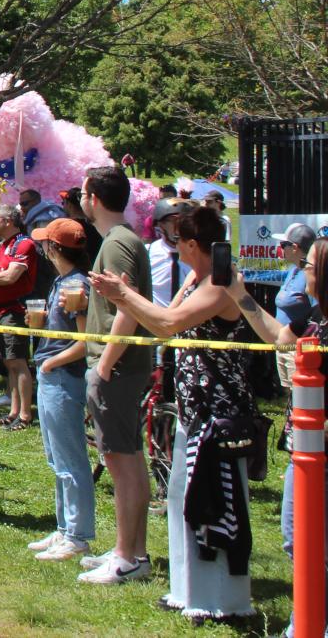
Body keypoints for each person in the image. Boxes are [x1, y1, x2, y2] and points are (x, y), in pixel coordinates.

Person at [93, 207, 257, 621]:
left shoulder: (221, 284)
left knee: (215, 503)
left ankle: (222, 600)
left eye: (177, 239)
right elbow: (161, 321)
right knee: (184, 499)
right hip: (191, 408)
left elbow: (167, 323)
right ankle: (188, 590)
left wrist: (123, 294)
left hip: (219, 415)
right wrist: (127, 297)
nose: (173, 246)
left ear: (192, 244)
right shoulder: (194, 279)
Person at [223, 237, 328, 638]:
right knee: (296, 539)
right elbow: (278, 338)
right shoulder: (314, 319)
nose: (302, 273)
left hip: (319, 452)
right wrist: (239, 294)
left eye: (309, 267)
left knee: (308, 541)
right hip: (304, 451)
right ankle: (307, 622)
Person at [77, 164, 156, 584]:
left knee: (120, 462)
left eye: (83, 193)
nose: (81, 200)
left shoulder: (117, 243)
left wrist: (105, 364)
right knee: (128, 458)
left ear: (94, 198)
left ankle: (127, 557)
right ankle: (133, 551)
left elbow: (129, 304)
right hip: (122, 365)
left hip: (118, 367)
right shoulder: (120, 239)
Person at [27, 219, 96, 562]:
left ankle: (78, 535)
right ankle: (64, 527)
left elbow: (85, 341)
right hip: (52, 373)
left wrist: (52, 362)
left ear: (54, 249)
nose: (42, 248)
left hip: (64, 376)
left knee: (70, 458)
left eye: (45, 243)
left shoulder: (76, 287)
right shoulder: (62, 282)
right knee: (56, 457)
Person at [0, 204, 38, 429]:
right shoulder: (0, 246)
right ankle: (13, 411)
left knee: (18, 361)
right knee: (8, 363)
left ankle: (25, 415)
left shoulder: (23, 244)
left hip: (14, 310)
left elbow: (11, 277)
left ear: (8, 221)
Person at [148, 198, 195, 307]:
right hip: (155, 313)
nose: (182, 226)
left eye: (187, 221)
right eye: (175, 220)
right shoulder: (147, 252)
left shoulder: (199, 254)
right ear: (160, 224)